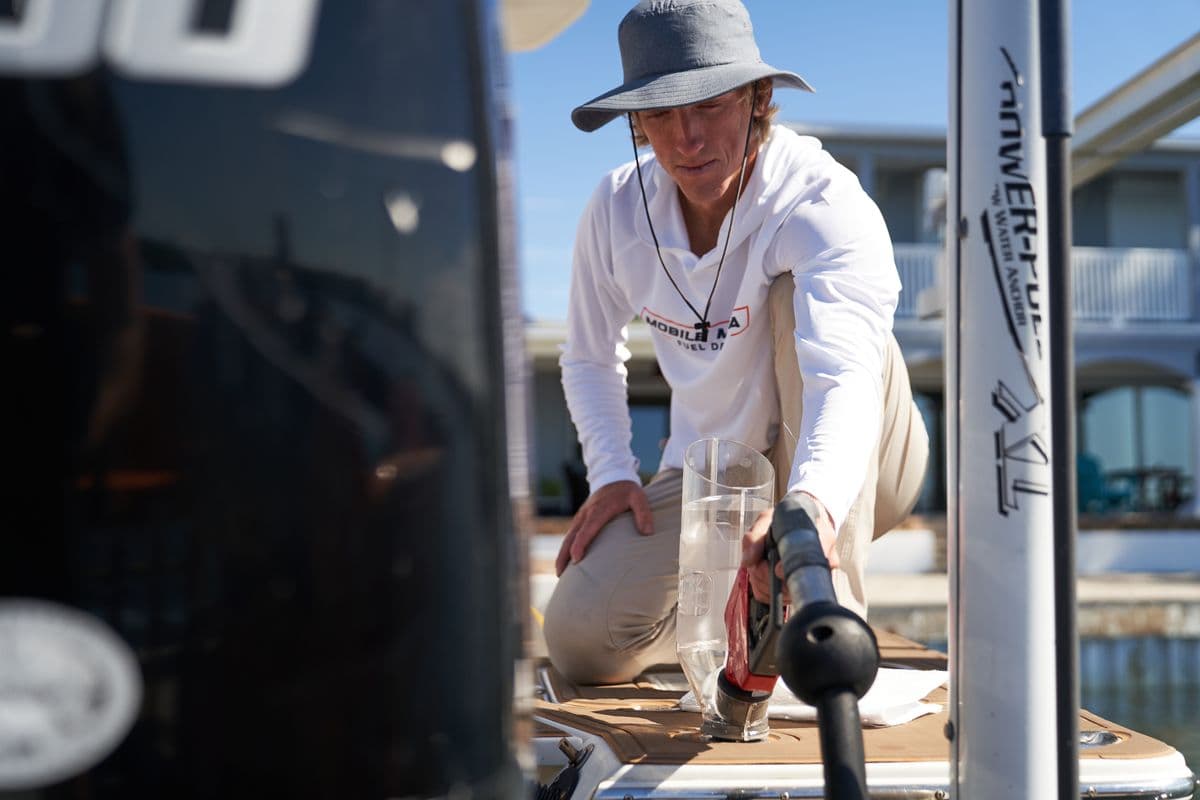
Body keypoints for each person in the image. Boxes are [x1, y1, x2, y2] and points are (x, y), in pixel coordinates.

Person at [543, 0, 929, 685]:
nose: (687, 138)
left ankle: (827, 635)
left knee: (789, 299)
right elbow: (589, 354)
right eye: (660, 113)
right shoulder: (614, 211)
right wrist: (611, 473)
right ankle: (732, 629)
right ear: (636, 121)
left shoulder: (821, 202)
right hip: (715, 467)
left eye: (710, 105)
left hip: (862, 456)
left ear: (758, 99)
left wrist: (811, 505)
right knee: (581, 640)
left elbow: (844, 377)